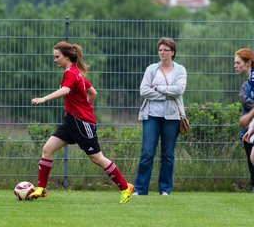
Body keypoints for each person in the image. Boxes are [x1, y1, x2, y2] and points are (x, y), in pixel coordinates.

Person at [29, 41, 134, 203]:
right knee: (47, 149)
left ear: (67, 57)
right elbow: (93, 93)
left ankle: (125, 187)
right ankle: (41, 188)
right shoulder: (77, 73)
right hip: (71, 120)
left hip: (82, 123)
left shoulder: (71, 73)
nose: (55, 60)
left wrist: (44, 98)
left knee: (97, 158)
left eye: (57, 57)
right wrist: (84, 105)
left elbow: (66, 90)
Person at [133, 37, 187, 195]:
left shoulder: (180, 70)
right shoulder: (151, 69)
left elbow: (179, 90)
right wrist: (165, 94)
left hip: (172, 117)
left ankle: (165, 189)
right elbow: (144, 91)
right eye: (160, 50)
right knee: (147, 152)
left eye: (166, 50)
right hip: (151, 115)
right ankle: (140, 188)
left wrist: (157, 88)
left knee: (168, 153)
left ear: (173, 52)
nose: (162, 53)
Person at [234, 48, 254, 193]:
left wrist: (248, 117)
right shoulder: (248, 82)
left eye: (238, 62)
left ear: (248, 63)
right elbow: (243, 99)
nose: (235, 65)